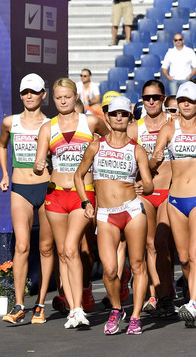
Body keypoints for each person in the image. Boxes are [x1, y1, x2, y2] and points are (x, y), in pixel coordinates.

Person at [34, 78, 110, 328]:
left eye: (67, 96)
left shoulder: (90, 122)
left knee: (70, 248)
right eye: (58, 98)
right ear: (52, 99)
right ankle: (73, 306)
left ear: (76, 96)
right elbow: (38, 163)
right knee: (63, 253)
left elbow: (113, 144)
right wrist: (39, 166)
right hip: (55, 194)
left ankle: (78, 307)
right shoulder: (48, 128)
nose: (63, 101)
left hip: (83, 194)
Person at [74, 96, 153, 335]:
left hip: (132, 211)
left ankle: (136, 316)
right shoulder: (96, 145)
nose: (119, 117)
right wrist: (86, 202)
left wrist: (143, 187)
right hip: (105, 214)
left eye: (123, 114)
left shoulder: (137, 149)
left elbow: (149, 184)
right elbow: (79, 176)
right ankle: (117, 309)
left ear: (129, 117)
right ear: (107, 117)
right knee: (109, 271)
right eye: (114, 113)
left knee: (138, 265)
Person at [151, 81, 196, 327]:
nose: (185, 104)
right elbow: (152, 162)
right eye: (182, 100)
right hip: (175, 200)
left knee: (195, 253)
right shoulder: (168, 129)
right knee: (183, 258)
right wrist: (155, 159)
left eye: (191, 100)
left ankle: (192, 303)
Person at [0, 74, 55, 324]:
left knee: (46, 247)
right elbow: (2, 146)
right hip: (20, 188)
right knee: (22, 246)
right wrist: (4, 174)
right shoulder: (10, 122)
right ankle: (19, 304)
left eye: (34, 91)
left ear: (44, 94)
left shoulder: (52, 124)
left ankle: (41, 304)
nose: (29, 96)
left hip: (48, 188)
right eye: (25, 92)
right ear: (20, 95)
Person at [127, 80, 176, 317]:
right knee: (149, 244)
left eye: (156, 97)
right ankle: (156, 293)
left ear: (164, 98)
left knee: (162, 243)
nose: (151, 102)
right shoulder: (135, 128)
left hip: (169, 190)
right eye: (147, 98)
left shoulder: (173, 124)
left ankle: (167, 292)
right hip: (145, 193)